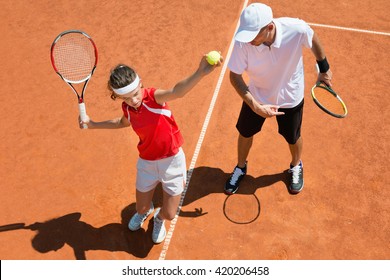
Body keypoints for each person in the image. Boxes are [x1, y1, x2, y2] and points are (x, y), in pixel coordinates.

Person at [80, 54, 222, 243]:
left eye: (136, 94)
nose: (134, 101)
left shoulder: (154, 97)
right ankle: (145, 212)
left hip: (172, 161)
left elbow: (177, 91)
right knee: (140, 209)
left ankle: (159, 218)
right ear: (118, 97)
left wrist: (200, 73)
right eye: (127, 98)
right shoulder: (128, 108)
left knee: (170, 214)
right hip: (147, 163)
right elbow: (122, 122)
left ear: (141, 85)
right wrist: (93, 124)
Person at [224, 3, 332, 195]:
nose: (248, 40)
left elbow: (312, 36)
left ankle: (296, 165)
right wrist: (255, 106)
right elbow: (235, 76)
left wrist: (323, 67)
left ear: (270, 27)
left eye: (253, 35)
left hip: (290, 96)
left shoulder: (295, 29)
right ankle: (241, 167)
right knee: (245, 133)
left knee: (293, 136)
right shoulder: (244, 42)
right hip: (257, 95)